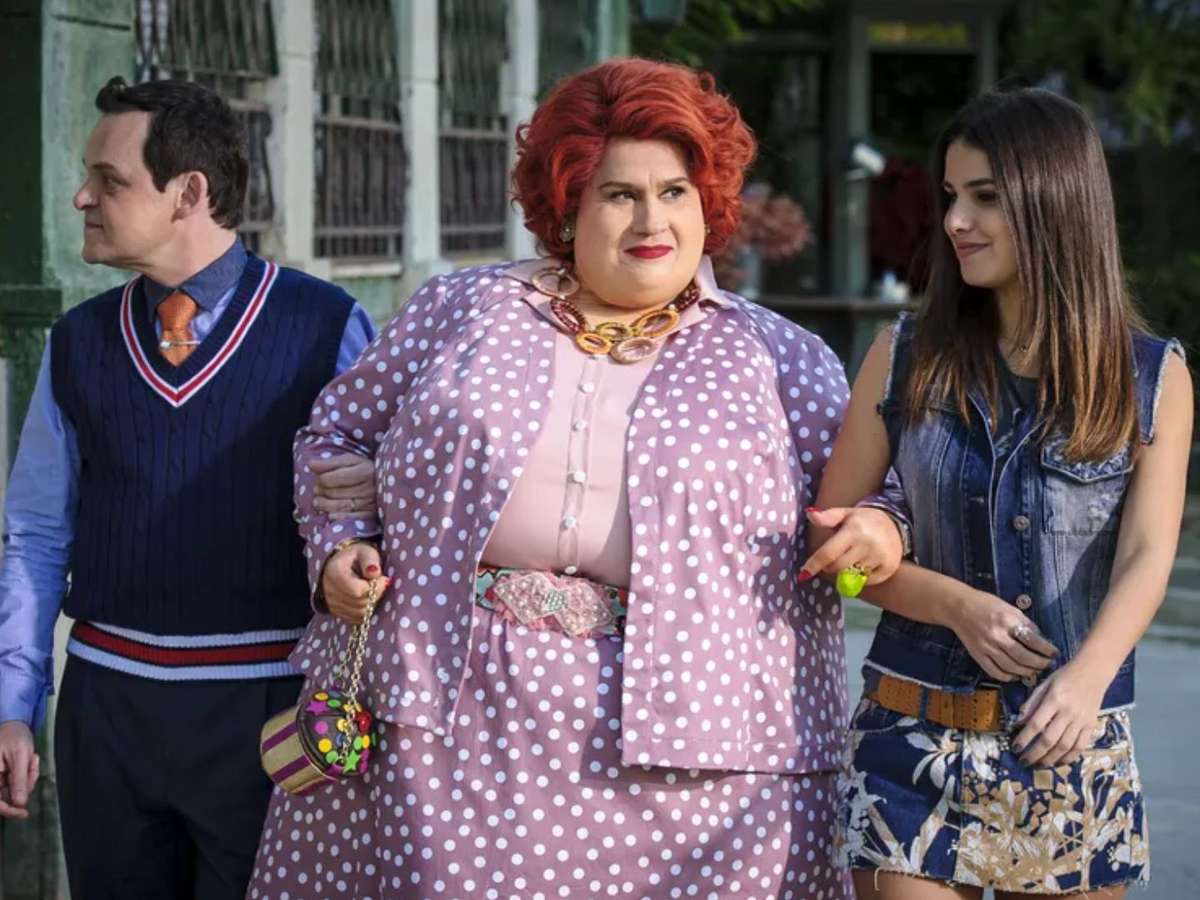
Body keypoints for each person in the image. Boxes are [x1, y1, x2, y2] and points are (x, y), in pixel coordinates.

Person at [246, 58, 907, 899]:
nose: (652, 220)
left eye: (674, 192)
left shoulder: (776, 357)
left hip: (701, 754)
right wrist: (341, 548)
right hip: (453, 722)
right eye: (619, 194)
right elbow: (339, 435)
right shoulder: (462, 311)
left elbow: (877, 492)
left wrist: (881, 525)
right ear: (567, 206)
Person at [807, 87, 1191, 898]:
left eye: (984, 196)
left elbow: (1149, 554)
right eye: (951, 196)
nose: (956, 220)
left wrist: (1087, 677)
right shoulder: (902, 356)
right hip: (910, 738)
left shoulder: (1152, 377)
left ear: (1056, 200)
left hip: (1068, 740)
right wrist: (952, 605)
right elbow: (830, 543)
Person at [0, 77, 376, 899]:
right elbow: (34, 535)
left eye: (109, 180)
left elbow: (375, 521)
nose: (82, 197)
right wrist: (12, 704)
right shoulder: (76, 342)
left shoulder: (325, 327)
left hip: (271, 712)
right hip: (106, 713)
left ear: (189, 193)